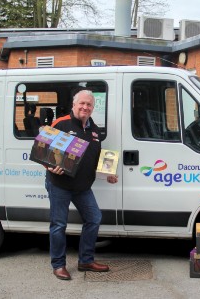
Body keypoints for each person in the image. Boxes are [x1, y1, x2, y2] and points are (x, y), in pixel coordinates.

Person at [45, 90, 118, 281]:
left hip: (82, 187)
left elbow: (95, 158)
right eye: (82, 104)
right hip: (60, 184)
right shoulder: (61, 123)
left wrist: (108, 174)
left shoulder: (94, 130)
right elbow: (41, 150)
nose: (85, 107)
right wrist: (50, 166)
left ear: (93, 108)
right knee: (59, 224)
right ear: (74, 105)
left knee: (94, 218)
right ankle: (58, 265)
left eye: (89, 105)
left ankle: (86, 260)